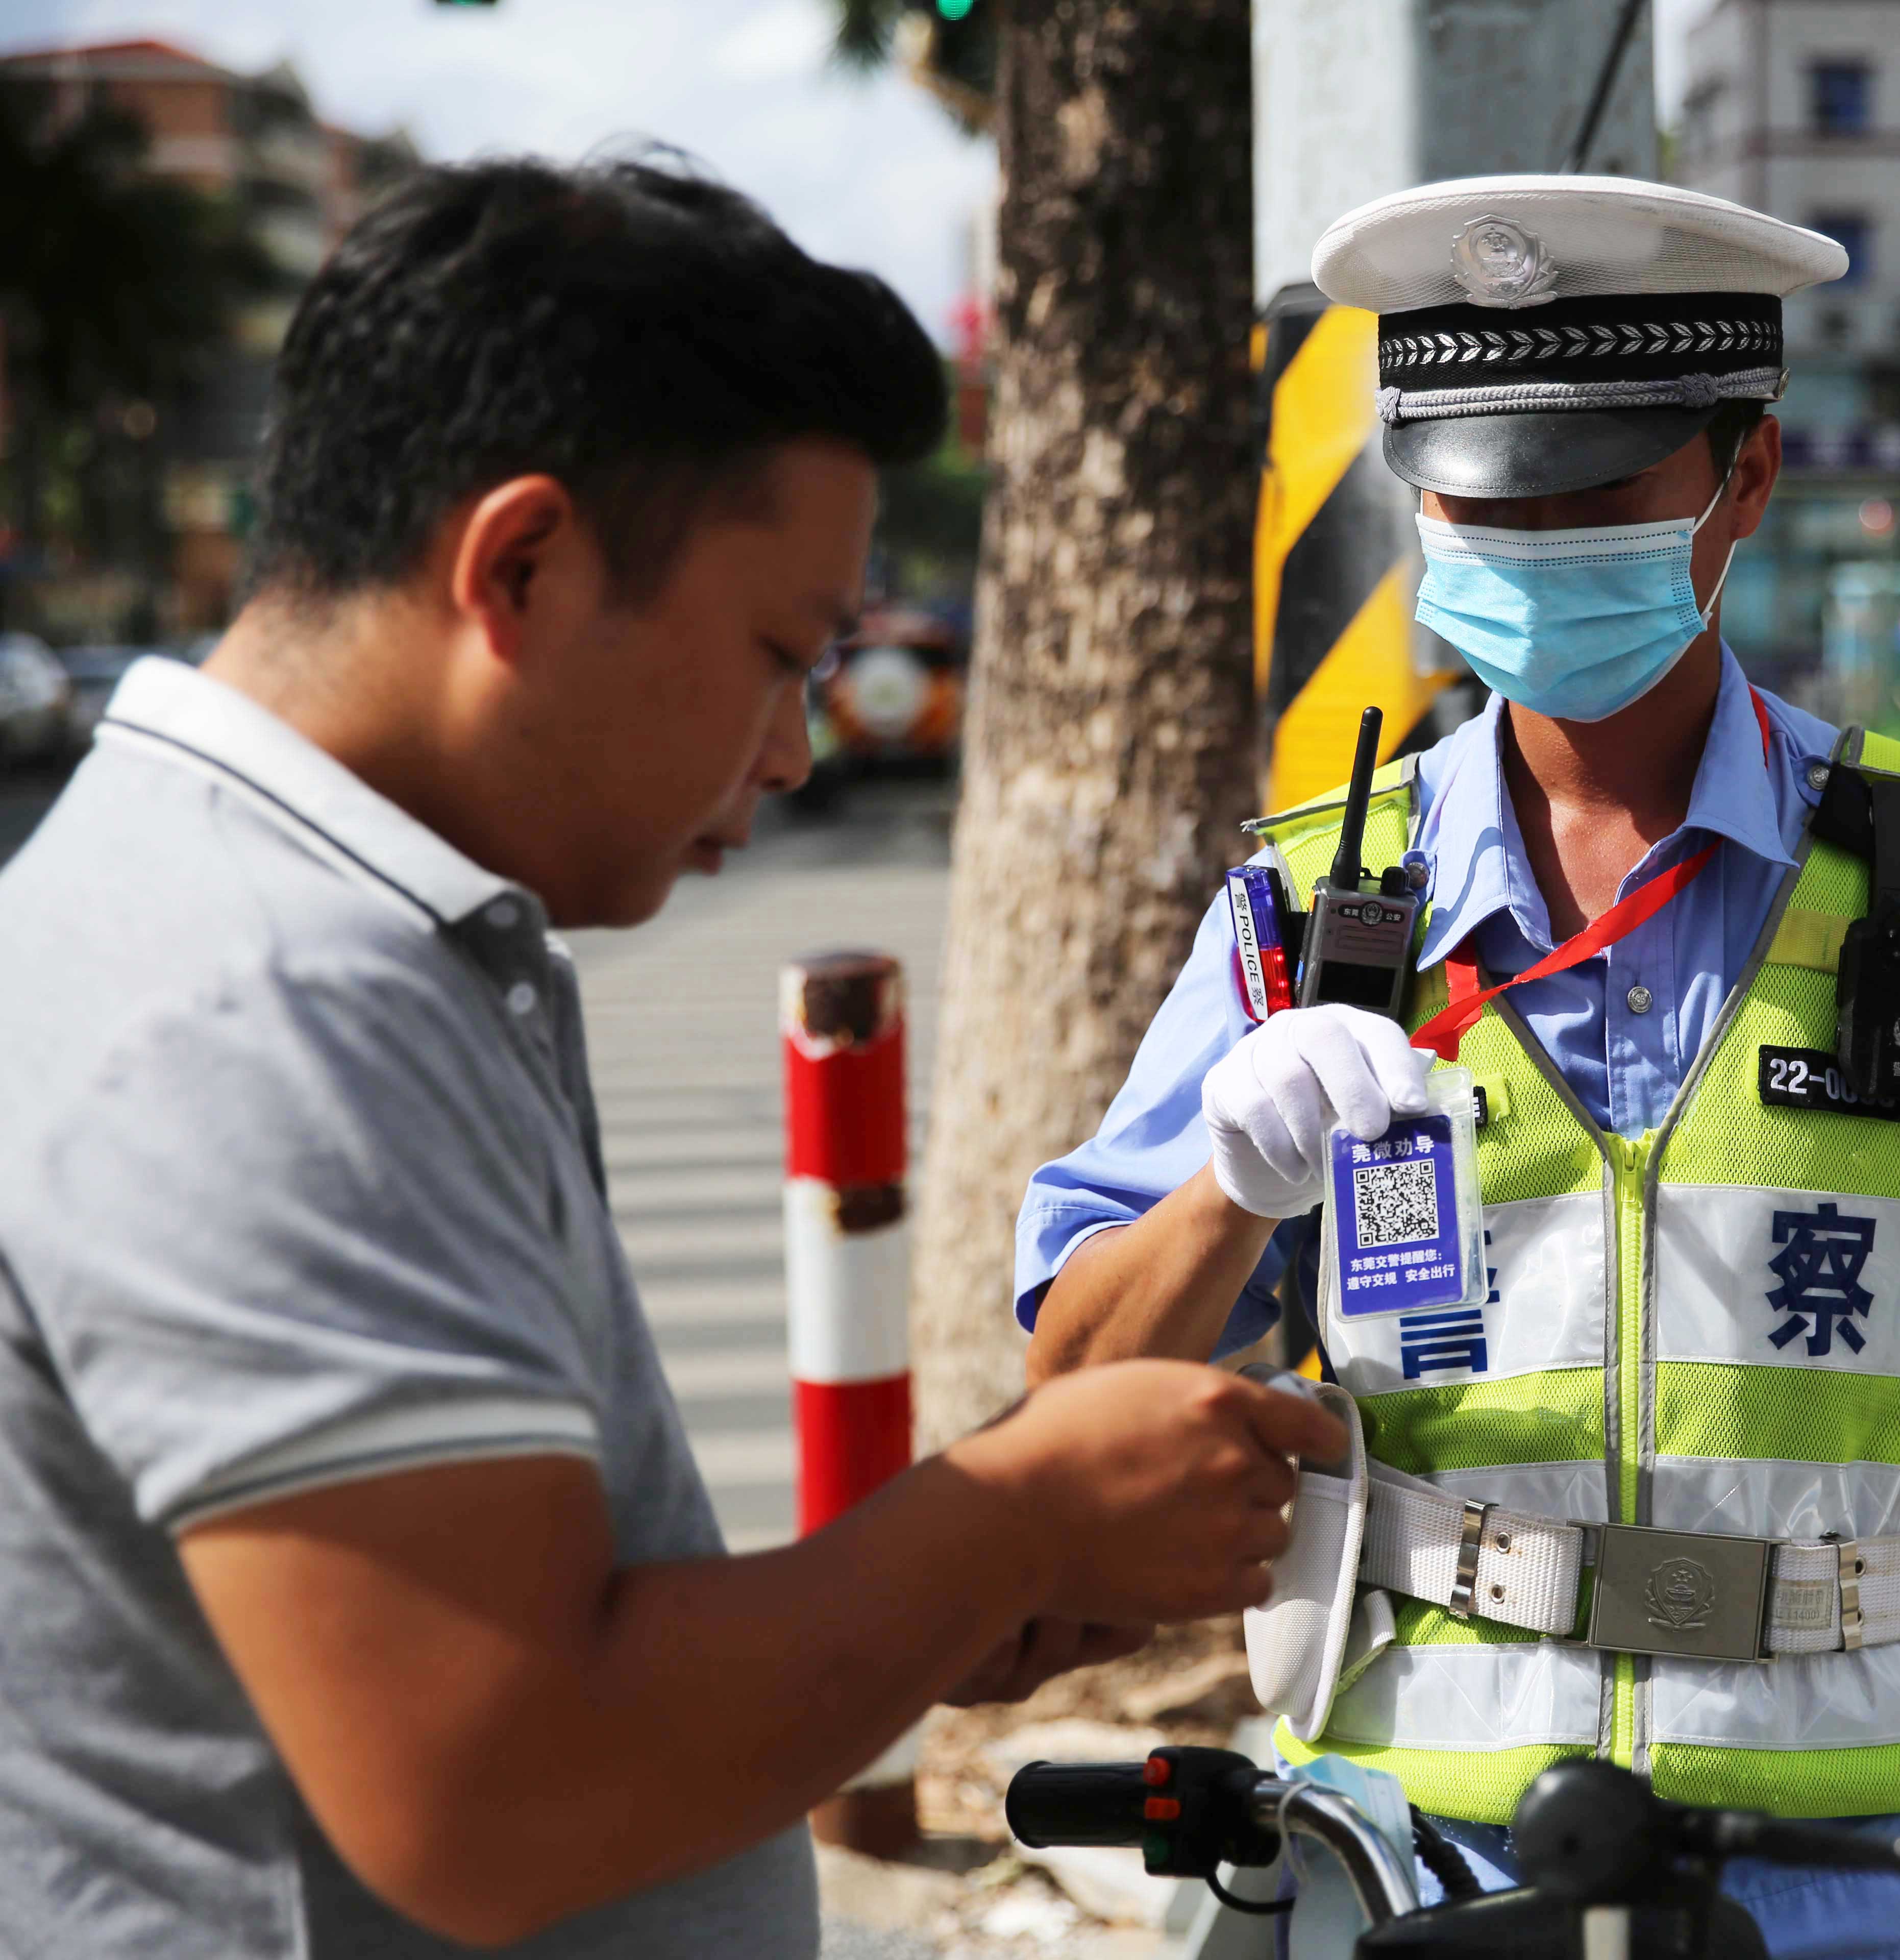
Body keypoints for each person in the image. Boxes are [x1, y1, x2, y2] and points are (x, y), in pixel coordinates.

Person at [0, 156, 1340, 1960]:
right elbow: (500, 1792)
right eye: (781, 654)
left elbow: (556, 1618)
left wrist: (941, 1597)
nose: (793, 754)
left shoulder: (297, 920)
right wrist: (1017, 1520)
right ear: (525, 567)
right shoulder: (266, 998)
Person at [1022, 177, 1900, 1960]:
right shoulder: (1301, 910)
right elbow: (1075, 1373)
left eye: (1591, 488)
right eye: (1479, 492)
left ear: (1742, 476)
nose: (1526, 537)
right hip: (1425, 1882)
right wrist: (1231, 1184)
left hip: (1874, 1898)